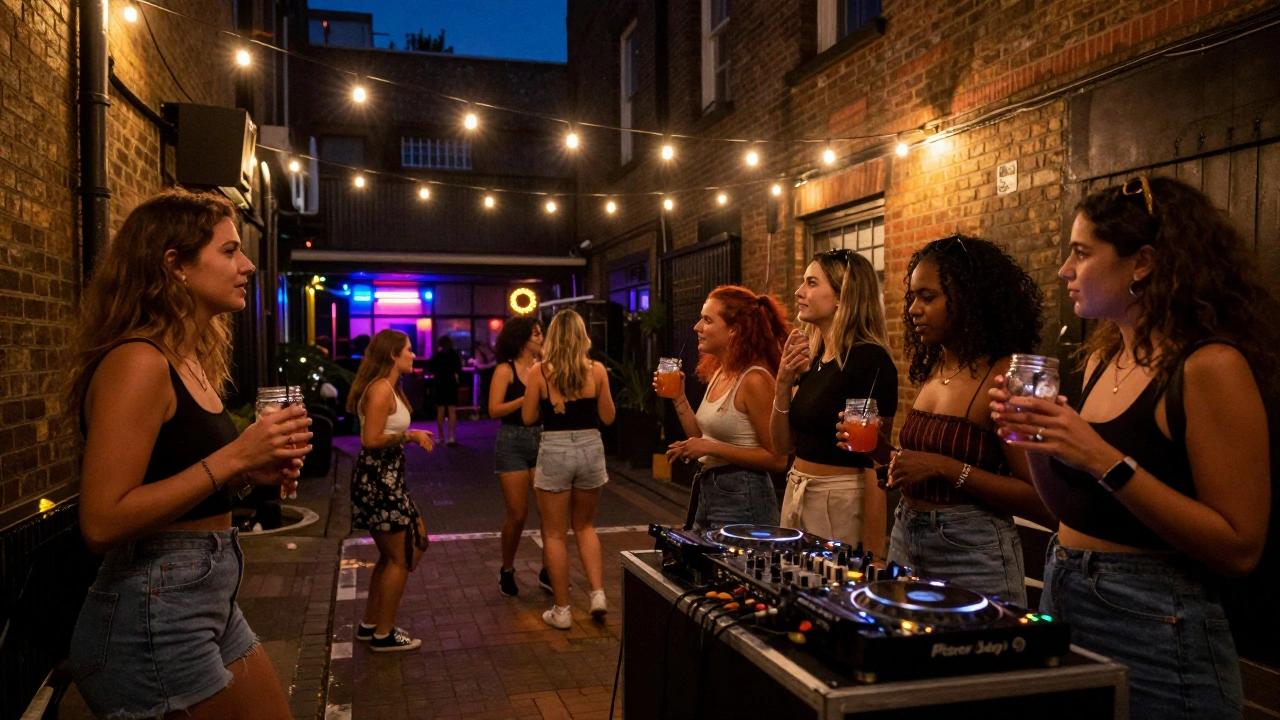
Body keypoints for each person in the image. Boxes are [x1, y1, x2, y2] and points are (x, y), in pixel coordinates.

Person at [991, 176, 1276, 718]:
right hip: (1065, 588)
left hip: (1155, 618)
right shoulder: (1101, 360)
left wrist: (1101, 458)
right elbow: (1070, 511)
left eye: (1080, 253)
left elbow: (1240, 547)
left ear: (1141, 262)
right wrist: (1033, 437)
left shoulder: (1208, 366)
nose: (1064, 271)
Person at [66, 190, 312, 719]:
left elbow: (178, 478)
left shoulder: (189, 358)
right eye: (228, 251)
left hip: (205, 599)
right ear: (174, 265)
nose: (246, 264)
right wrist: (234, 458)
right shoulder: (138, 361)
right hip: (151, 616)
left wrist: (250, 472)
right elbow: (102, 521)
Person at [877, 235, 1051, 605]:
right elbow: (924, 464)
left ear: (971, 299)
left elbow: (1039, 497)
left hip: (971, 550)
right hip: (905, 535)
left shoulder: (1011, 374)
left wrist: (945, 466)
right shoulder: (934, 366)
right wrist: (883, 456)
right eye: (912, 298)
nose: (913, 310)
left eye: (928, 297)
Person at [770, 250, 896, 550]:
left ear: (843, 295)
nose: (799, 292)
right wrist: (783, 384)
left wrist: (875, 552)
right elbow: (781, 446)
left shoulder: (869, 360)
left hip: (838, 500)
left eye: (811, 283)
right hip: (796, 489)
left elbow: (875, 462)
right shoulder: (816, 358)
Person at [660, 285, 789, 528]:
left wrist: (710, 447)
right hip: (709, 490)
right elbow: (701, 439)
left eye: (707, 320)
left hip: (744, 495)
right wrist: (679, 397)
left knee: (739, 566)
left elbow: (777, 459)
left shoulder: (754, 379)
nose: (697, 327)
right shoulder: (720, 372)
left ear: (734, 330)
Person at [521, 310, 616, 629]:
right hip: (591, 447)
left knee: (554, 533)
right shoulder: (597, 370)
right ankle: (598, 594)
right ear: (581, 336)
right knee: (586, 526)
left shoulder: (539, 371)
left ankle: (562, 611)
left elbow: (528, 417)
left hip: (556, 448)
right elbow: (608, 417)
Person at [346, 329, 436, 652]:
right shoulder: (381, 390)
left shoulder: (389, 387)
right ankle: (383, 634)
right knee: (401, 557)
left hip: (389, 480)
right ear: (392, 355)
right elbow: (370, 440)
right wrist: (408, 436)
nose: (414, 355)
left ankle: (371, 625)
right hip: (380, 482)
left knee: (396, 553)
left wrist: (409, 433)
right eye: (409, 350)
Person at [487, 316, 549, 596]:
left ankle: (549, 570)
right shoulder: (505, 369)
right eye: (536, 334)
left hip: (542, 439)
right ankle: (507, 569)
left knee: (549, 512)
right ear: (521, 338)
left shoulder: (545, 368)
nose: (540, 338)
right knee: (518, 515)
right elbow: (494, 409)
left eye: (541, 334)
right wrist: (526, 398)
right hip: (512, 440)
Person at [429, 335, 462, 446]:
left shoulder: (437, 355)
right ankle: (451, 436)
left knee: (440, 410)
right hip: (451, 383)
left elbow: (431, 368)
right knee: (452, 410)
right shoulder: (454, 354)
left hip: (439, 384)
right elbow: (459, 368)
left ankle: (441, 437)